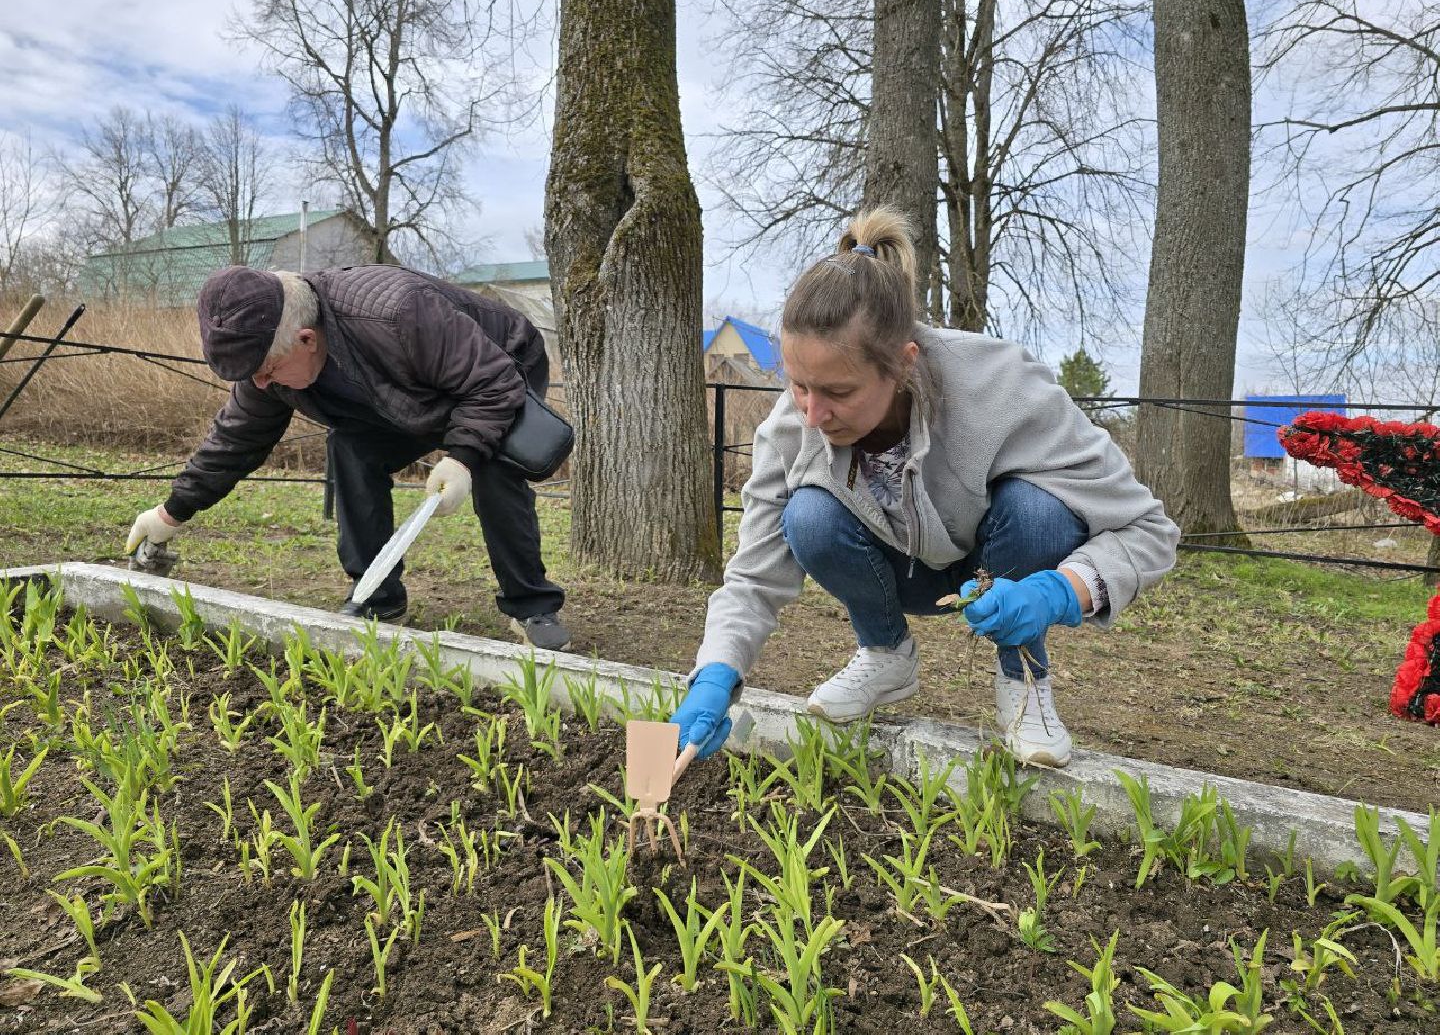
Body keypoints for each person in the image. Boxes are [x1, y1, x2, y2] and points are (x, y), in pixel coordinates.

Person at [670, 207, 1179, 767]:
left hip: (999, 567)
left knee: (1040, 513)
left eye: (837, 391)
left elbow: (1149, 531)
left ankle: (1024, 679)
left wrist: (1058, 593)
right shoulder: (792, 428)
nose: (812, 415)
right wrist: (717, 672)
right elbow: (754, 571)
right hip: (889, 571)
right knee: (807, 516)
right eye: (797, 385)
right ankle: (886, 653)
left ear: (903, 364)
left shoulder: (1004, 387)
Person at [124, 263, 570, 650]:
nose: (260, 385)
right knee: (351, 448)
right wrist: (169, 514)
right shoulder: (269, 352)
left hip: (496, 368)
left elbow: (491, 385)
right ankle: (378, 597)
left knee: (494, 468)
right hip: (400, 390)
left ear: (306, 339)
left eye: (265, 372)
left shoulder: (398, 312)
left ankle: (532, 606)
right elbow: (235, 440)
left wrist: (464, 456)